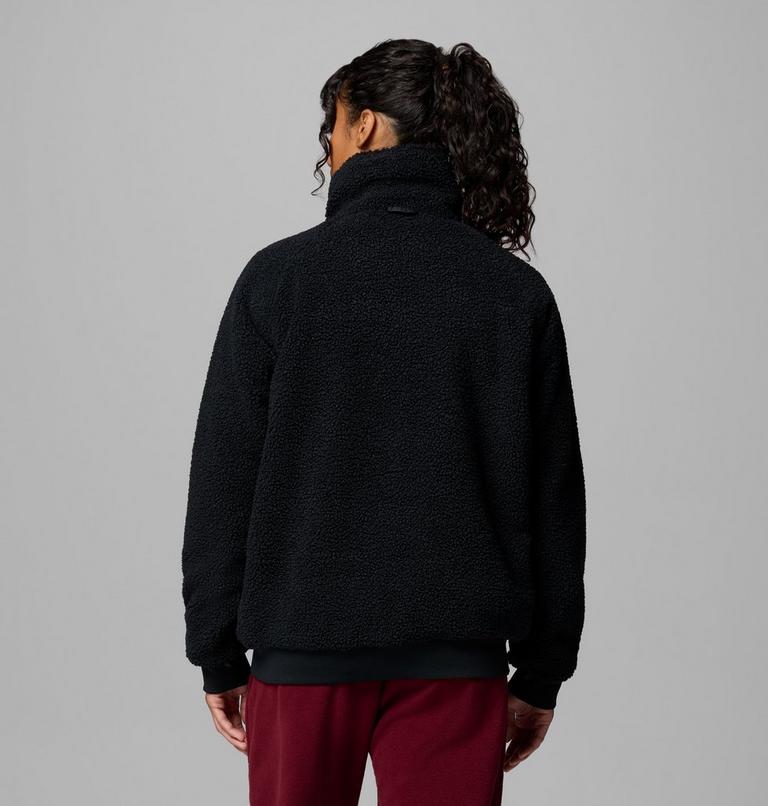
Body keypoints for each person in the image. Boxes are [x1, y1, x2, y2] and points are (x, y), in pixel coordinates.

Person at [181, 38, 586, 806]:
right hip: (457, 663)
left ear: (364, 124)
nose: (328, 145)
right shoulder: (512, 294)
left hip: (301, 655)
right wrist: (542, 671)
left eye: (331, 125)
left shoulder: (278, 280)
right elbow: (554, 502)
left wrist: (217, 652)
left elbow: (224, 479)